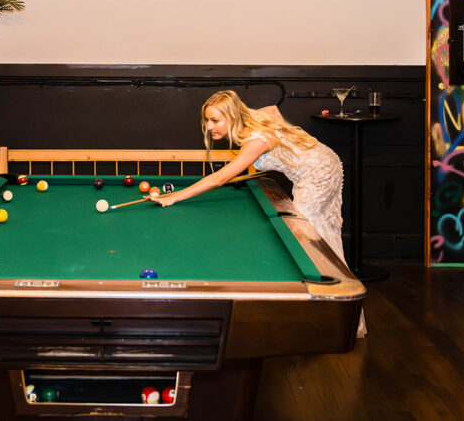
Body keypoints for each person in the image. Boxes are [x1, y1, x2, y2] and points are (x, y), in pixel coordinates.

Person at [147, 90, 366, 338]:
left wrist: (174, 196)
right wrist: (283, 134)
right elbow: (272, 109)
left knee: (304, 237)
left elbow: (221, 178)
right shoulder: (251, 120)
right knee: (320, 235)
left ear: (232, 117)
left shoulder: (256, 140)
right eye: (206, 120)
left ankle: (320, 319)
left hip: (318, 173)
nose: (209, 127)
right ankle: (339, 319)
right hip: (322, 162)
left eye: (215, 120)